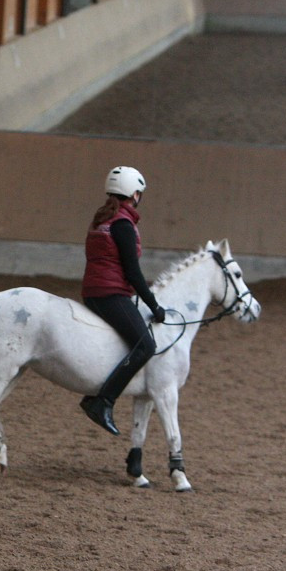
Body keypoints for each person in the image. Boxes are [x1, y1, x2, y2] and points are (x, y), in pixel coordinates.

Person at [79, 166, 165, 436]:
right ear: (134, 194)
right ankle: (102, 401)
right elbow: (132, 272)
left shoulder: (101, 219)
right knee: (145, 345)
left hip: (92, 291)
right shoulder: (123, 225)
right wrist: (154, 305)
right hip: (110, 293)